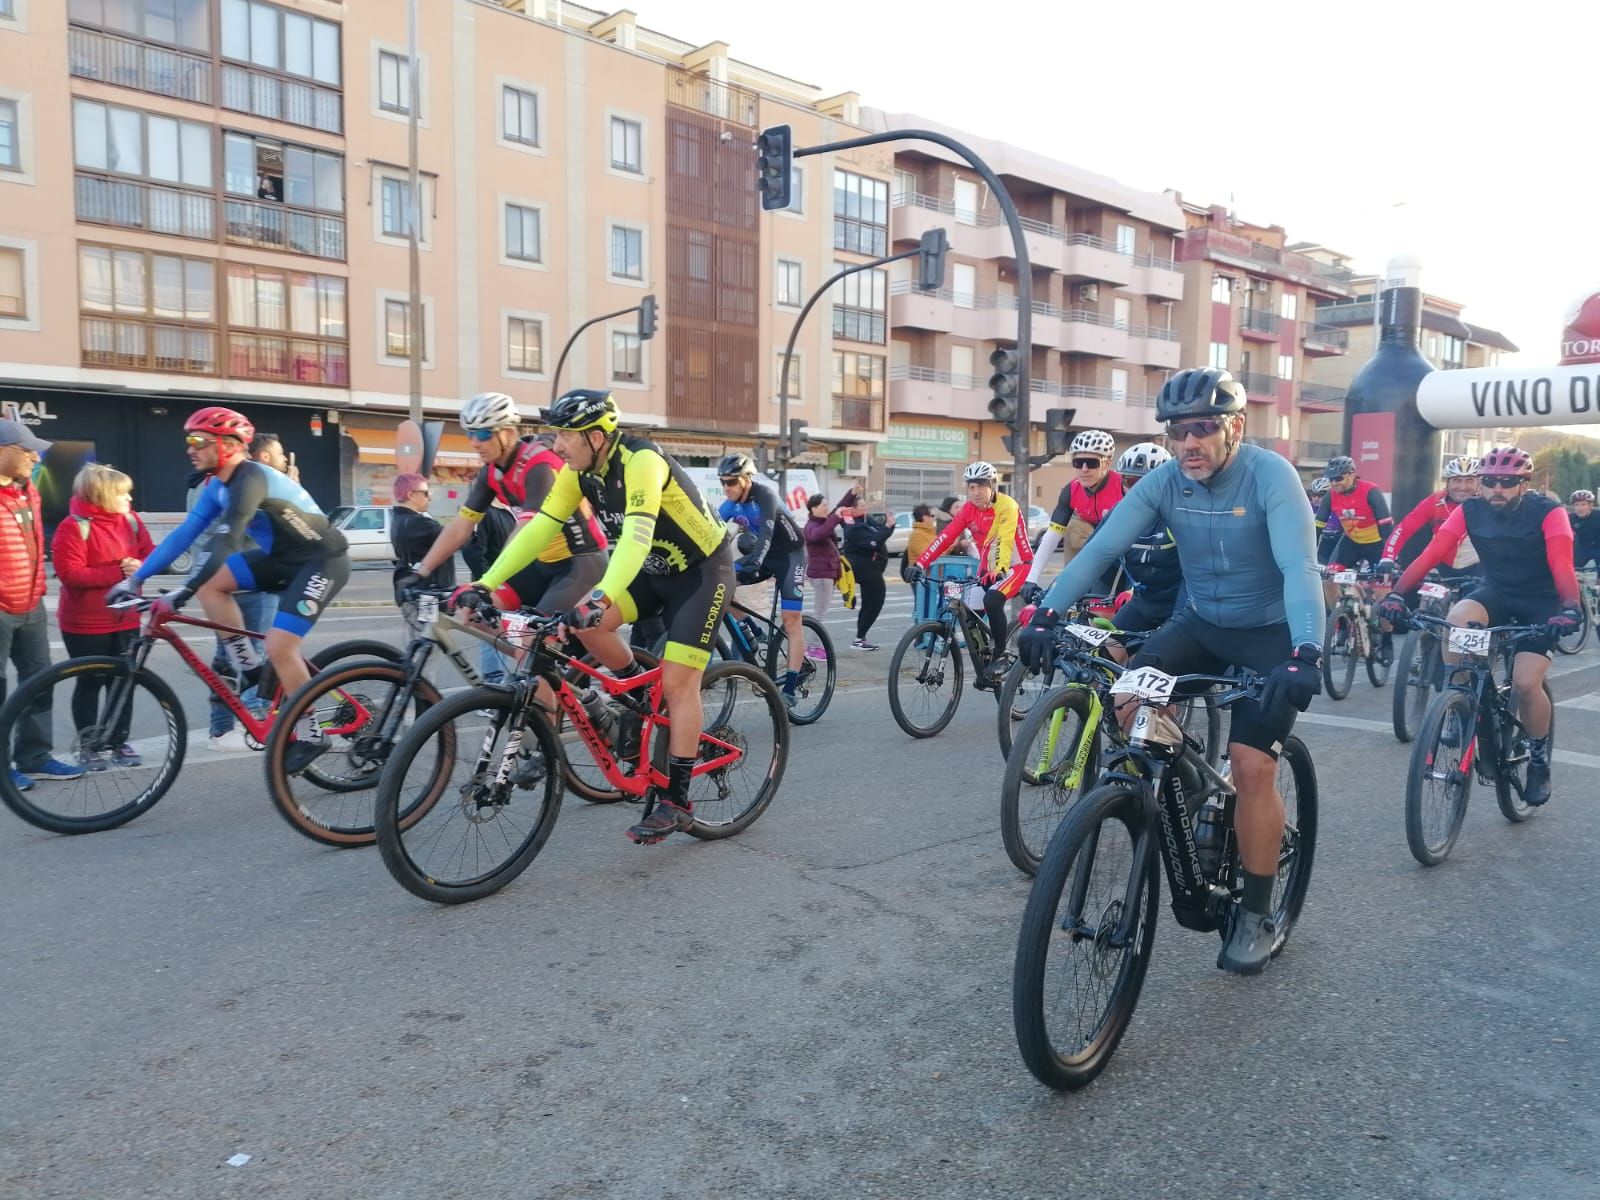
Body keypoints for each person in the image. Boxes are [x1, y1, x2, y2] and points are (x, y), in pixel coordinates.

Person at [1019, 368, 1322, 976]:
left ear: (1234, 428)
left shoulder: (1271, 476)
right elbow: (1102, 550)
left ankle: (1258, 910)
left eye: (1204, 428)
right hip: (1202, 624)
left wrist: (1306, 650)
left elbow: (1299, 568)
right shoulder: (1163, 482)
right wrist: (1045, 612)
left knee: (1253, 764)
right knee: (1127, 701)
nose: (1190, 442)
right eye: (1179, 431)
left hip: (1272, 634)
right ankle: (1186, 808)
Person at [465, 389, 732, 845]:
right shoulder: (578, 471)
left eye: (564, 437)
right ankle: (636, 701)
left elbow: (635, 537)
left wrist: (602, 593)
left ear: (595, 435)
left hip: (701, 574)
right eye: (554, 437)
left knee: (678, 682)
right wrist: (485, 583)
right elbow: (539, 530)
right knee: (584, 627)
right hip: (652, 571)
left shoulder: (641, 460)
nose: (556, 447)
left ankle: (678, 802)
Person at [109, 407, 351, 772]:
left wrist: (182, 591)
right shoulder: (217, 486)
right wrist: (135, 578)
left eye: (198, 441)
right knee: (212, 585)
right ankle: (253, 673)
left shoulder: (249, 478)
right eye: (188, 441)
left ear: (229, 445)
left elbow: (229, 539)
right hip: (283, 557)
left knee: (281, 646)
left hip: (322, 561)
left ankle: (312, 732)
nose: (190, 448)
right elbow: (184, 535)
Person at [1379, 447, 1581, 807]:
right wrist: (1397, 595)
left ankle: (1537, 760)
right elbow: (1432, 552)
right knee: (1456, 619)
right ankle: (1457, 701)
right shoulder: (1468, 510)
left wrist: (1568, 608)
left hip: (1542, 601)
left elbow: (1562, 563)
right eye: (1489, 482)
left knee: (1525, 682)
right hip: (1497, 592)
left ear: (1524, 483)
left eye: (1507, 482)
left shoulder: (1549, 513)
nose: (1496, 489)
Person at [399, 392, 608, 624]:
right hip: (540, 563)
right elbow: (460, 527)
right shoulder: (491, 472)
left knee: (532, 639)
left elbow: (526, 530)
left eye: (483, 433)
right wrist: (420, 572)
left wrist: (487, 582)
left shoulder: (539, 465)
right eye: (470, 433)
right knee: (472, 615)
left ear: (508, 432)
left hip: (580, 562)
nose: (475, 442)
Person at [1026, 441, 1183, 661]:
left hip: (1180, 605)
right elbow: (1087, 560)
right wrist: (1045, 606)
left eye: (1146, 482)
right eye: (1130, 481)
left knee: (1151, 666)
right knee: (1101, 661)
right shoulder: (1121, 514)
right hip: (1144, 603)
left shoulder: (1179, 516)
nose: (1138, 490)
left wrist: (1128, 591)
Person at [50, 464, 155, 770]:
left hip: (127, 617)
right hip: (85, 622)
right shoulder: (74, 526)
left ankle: (119, 741)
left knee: (123, 682)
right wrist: (118, 572)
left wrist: (140, 565)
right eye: (124, 493)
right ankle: (89, 744)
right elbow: (70, 574)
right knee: (90, 682)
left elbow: (149, 553)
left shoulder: (131, 522)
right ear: (103, 494)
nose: (130, 499)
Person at [1, 419, 85, 791]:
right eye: (26, 450)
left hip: (31, 603)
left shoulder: (27, 488)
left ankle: (34, 757)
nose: (36, 457)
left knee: (39, 681)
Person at [905, 460, 1033, 681]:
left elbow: (1003, 539)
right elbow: (946, 537)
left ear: (992, 484)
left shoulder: (1007, 505)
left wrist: (999, 568)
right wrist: (920, 564)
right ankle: (985, 663)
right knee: (969, 614)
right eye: (971, 487)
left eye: (981, 486)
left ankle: (1001, 654)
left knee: (993, 600)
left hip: (1016, 564)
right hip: (988, 566)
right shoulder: (969, 509)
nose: (975, 492)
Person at [716, 454, 808, 707]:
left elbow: (767, 530)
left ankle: (789, 688)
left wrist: (755, 561)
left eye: (732, 482)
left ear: (746, 480)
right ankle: (752, 631)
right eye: (723, 482)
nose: (727, 487)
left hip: (790, 557)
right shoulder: (730, 504)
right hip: (763, 555)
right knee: (721, 586)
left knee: (791, 621)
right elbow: (709, 529)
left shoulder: (765, 495)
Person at [1377, 456, 1481, 584]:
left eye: (1469, 480)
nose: (1463, 487)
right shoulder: (1436, 501)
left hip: (1477, 568)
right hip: (1443, 566)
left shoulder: (1487, 502)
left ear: (1478, 483)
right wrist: (1388, 557)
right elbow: (1404, 528)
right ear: (1447, 482)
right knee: (1424, 600)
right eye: (1457, 480)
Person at [1032, 430, 1122, 576]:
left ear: (1107, 463)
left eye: (1092, 463)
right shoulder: (1071, 490)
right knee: (1074, 527)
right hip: (1087, 533)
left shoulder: (1122, 486)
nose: (1084, 469)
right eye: (1078, 463)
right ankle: (1073, 578)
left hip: (1118, 536)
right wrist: (1032, 578)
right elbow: (1052, 536)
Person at [1316, 454, 1393, 570]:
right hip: (1351, 543)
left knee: (1380, 583)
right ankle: (1352, 588)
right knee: (1330, 577)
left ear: (1352, 474)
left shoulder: (1371, 491)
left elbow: (1386, 525)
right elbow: (1317, 526)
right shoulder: (1330, 495)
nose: (1334, 483)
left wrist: (1389, 556)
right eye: (1331, 480)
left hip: (1376, 544)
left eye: (1338, 479)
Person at [389, 472, 456, 602]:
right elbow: (456, 539)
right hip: (433, 591)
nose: (429, 497)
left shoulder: (397, 520)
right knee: (437, 623)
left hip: (413, 589)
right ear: (411, 495)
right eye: (426, 493)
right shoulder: (421, 523)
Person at [840, 503, 893, 651]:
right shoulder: (853, 526)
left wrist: (888, 524)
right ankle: (859, 638)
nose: (866, 509)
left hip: (871, 569)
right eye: (862, 506)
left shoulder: (864, 521)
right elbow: (874, 541)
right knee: (875, 602)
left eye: (865, 505)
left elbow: (879, 531)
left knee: (869, 603)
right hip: (865, 569)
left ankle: (860, 637)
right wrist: (888, 527)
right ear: (853, 509)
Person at [803, 489, 857, 623]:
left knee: (821, 611)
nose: (827, 508)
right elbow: (819, 534)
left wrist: (852, 493)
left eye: (827, 505)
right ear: (813, 508)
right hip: (821, 575)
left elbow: (838, 509)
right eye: (824, 505)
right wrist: (836, 517)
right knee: (820, 612)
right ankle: (813, 643)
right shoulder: (811, 526)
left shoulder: (823, 521)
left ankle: (814, 642)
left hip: (827, 573)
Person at [1569, 489, 1600, 572]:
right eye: (1577, 505)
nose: (1580, 508)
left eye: (1583, 504)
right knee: (1573, 568)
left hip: (1598, 547)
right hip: (1583, 547)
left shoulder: (1598, 516)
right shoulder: (1570, 518)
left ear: (1591, 506)